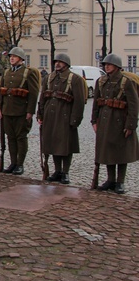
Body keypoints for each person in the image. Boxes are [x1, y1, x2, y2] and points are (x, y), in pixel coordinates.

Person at [91, 53, 139, 194]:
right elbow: (96, 103)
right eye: (105, 64)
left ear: (117, 66)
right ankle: (110, 180)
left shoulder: (127, 82)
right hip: (105, 121)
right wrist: (94, 120)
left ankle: (120, 182)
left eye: (109, 64)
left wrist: (130, 125)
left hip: (120, 121)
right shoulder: (101, 81)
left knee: (121, 153)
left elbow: (134, 105)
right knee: (107, 152)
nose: (107, 67)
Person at [37, 53, 85, 184]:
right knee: (53, 144)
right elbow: (42, 98)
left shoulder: (75, 79)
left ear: (66, 64)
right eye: (56, 62)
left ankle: (65, 172)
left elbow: (79, 102)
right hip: (50, 116)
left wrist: (75, 120)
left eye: (60, 62)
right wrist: (40, 114)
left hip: (65, 116)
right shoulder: (48, 78)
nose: (57, 64)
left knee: (65, 146)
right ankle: (57, 170)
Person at [0, 47, 40, 175]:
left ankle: (20, 164)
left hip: (21, 110)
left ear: (21, 58)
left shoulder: (28, 73)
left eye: (14, 56)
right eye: (10, 56)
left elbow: (33, 93)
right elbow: (1, 90)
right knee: (10, 138)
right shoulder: (7, 72)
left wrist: (30, 111)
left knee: (20, 138)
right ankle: (13, 162)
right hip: (7, 110)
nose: (12, 58)